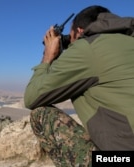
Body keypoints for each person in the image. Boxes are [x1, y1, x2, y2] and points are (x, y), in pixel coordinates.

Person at [24, 5, 134, 167]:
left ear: (80, 31)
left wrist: (48, 57)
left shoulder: (89, 49)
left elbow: (32, 97)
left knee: (41, 114)